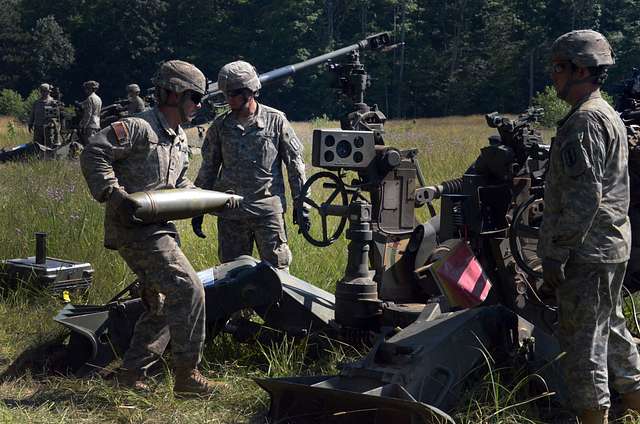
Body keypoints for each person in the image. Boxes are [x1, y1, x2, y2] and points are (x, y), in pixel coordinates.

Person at [80, 60, 225, 397]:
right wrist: (113, 194)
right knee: (189, 290)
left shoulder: (177, 138)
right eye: (194, 97)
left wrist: (214, 199)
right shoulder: (138, 127)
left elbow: (178, 182)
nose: (198, 105)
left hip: (160, 229)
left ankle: (131, 374)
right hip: (134, 229)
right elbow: (94, 153)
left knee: (160, 302)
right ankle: (188, 377)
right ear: (173, 94)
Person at [539, 29, 640, 424]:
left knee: (584, 350)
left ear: (581, 70)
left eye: (559, 68)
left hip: (587, 254)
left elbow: (585, 198)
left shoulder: (584, 123)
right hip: (609, 248)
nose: (554, 77)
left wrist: (557, 252)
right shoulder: (608, 114)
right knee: (613, 332)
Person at [192, 60, 309, 270]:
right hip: (231, 215)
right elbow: (208, 169)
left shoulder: (276, 121)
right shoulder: (220, 126)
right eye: (226, 94)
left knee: (278, 277)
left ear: (249, 91)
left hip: (267, 214)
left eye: (233, 94)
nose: (228, 99)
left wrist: (302, 207)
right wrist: (197, 208)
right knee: (231, 277)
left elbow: (295, 167)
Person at [79, 80, 102, 145]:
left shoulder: (90, 98)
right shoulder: (98, 98)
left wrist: (83, 125)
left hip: (90, 125)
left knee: (89, 145)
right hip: (97, 124)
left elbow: (88, 114)